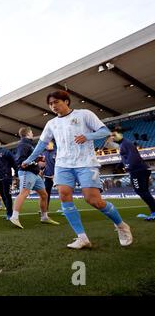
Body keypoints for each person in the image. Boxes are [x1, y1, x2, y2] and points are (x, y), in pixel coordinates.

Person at [23, 90, 133, 249]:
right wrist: (29, 159)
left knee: (93, 200)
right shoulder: (51, 124)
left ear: (66, 101)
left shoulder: (84, 114)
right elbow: (41, 145)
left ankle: (122, 226)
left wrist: (87, 136)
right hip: (63, 165)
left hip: (86, 163)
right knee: (64, 195)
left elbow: (104, 131)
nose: (53, 106)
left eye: (56, 102)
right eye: (51, 103)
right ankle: (82, 238)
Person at [9, 127, 59, 229]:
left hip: (34, 174)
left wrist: (37, 161)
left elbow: (29, 160)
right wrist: (35, 162)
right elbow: (20, 161)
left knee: (44, 194)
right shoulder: (23, 144)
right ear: (27, 133)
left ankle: (44, 217)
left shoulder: (28, 144)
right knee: (24, 193)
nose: (32, 134)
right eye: (31, 132)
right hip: (27, 173)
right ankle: (14, 217)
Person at [109, 128, 155, 221]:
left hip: (137, 171)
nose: (112, 137)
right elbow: (126, 157)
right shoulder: (123, 144)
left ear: (120, 135)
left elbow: (133, 156)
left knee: (141, 191)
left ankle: (154, 212)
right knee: (144, 191)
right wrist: (119, 165)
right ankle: (153, 211)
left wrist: (128, 166)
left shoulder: (125, 143)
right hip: (140, 170)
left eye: (114, 135)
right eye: (111, 135)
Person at [40, 140, 57, 212]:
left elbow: (59, 164)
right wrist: (41, 169)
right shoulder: (44, 153)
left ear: (52, 144)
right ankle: (45, 209)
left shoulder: (57, 152)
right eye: (46, 144)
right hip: (47, 176)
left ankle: (66, 209)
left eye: (48, 143)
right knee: (46, 193)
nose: (47, 145)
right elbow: (42, 164)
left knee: (63, 192)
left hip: (57, 176)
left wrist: (56, 174)